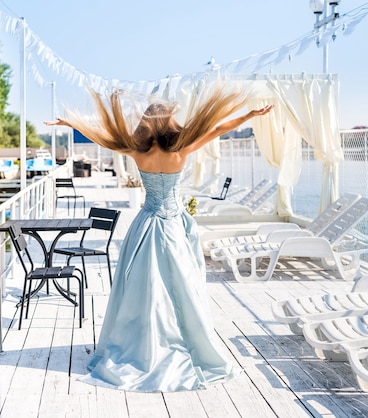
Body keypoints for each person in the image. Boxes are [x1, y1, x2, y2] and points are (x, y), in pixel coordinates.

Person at [45, 86, 273, 392]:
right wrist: (250, 115)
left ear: (144, 125)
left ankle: (143, 338)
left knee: (144, 288)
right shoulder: (183, 150)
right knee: (182, 287)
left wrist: (72, 124)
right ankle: (183, 338)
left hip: (147, 226)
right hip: (175, 225)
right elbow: (220, 127)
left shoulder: (138, 152)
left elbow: (101, 135)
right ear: (170, 124)